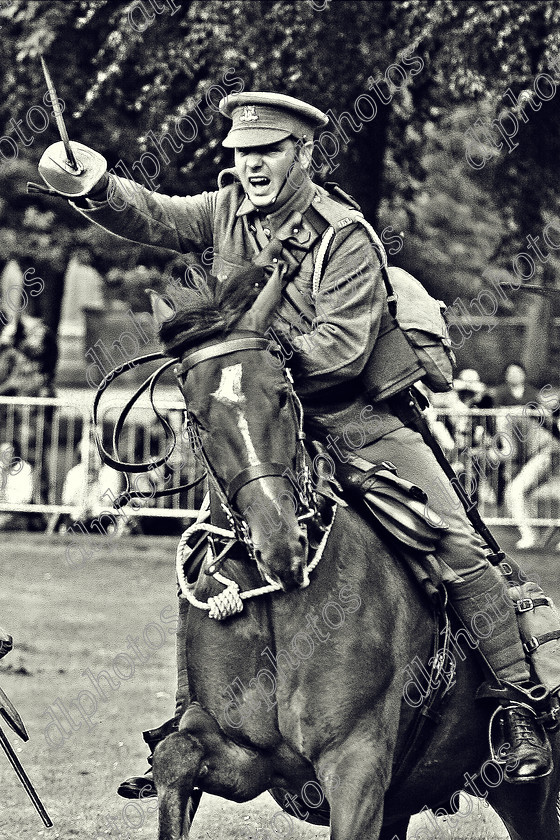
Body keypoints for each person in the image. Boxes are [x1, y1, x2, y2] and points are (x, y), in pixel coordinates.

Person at [37, 91, 554, 790]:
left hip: (356, 419)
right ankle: (198, 714)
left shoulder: (345, 235)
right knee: (207, 554)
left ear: (303, 153)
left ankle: (518, 706)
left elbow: (343, 345)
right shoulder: (225, 212)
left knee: (461, 545)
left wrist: (252, 359)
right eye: (241, 155)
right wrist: (93, 184)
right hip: (264, 427)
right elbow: (154, 213)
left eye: (266, 153)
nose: (251, 167)